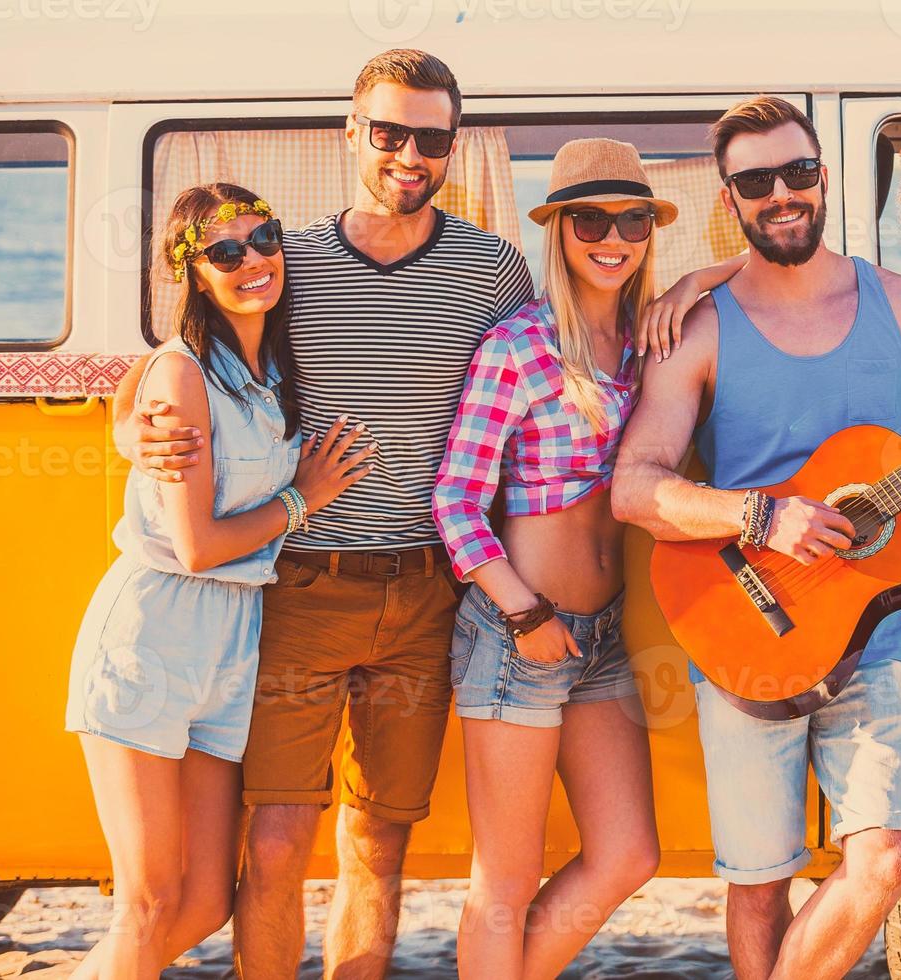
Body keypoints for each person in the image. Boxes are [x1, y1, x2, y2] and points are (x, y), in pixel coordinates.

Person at [611, 96, 901, 980]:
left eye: (798, 172)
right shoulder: (696, 325)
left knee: (887, 854)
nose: (782, 193)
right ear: (730, 196)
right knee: (757, 880)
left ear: (823, 177)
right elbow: (634, 487)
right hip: (742, 626)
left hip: (870, 642)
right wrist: (760, 515)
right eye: (756, 180)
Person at [109, 50, 533, 979]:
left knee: (379, 844)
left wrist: (700, 288)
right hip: (296, 584)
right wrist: (125, 431)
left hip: (426, 591)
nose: (408, 154)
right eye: (388, 132)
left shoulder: (491, 268)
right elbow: (180, 349)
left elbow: (544, 376)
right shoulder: (284, 256)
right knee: (276, 842)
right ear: (353, 132)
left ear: (452, 145)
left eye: (431, 136)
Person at [67, 184, 368, 979]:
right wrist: (304, 498)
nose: (252, 260)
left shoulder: (270, 366)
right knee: (147, 900)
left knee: (204, 902)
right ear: (193, 273)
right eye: (224, 252)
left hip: (231, 643)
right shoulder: (184, 372)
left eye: (262, 239)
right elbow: (197, 547)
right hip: (155, 635)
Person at [433, 137, 669, 980]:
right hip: (518, 633)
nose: (613, 238)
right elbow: (455, 502)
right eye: (591, 220)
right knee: (502, 879)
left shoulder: (652, 342)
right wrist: (523, 612)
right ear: (559, 231)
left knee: (629, 854)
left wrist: (701, 282)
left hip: (599, 637)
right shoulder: (517, 346)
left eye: (632, 219)